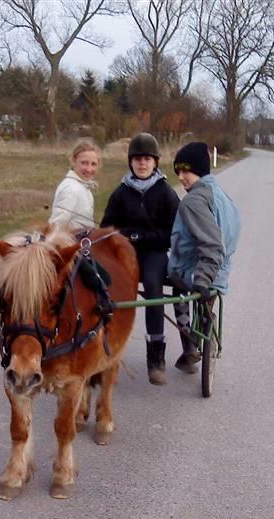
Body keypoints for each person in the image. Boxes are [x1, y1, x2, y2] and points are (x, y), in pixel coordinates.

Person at [100, 133, 180, 386]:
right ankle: (104, 349)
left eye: (147, 159)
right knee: (108, 288)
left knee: (153, 285)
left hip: (154, 252)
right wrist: (124, 235)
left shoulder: (165, 192)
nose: (142, 164)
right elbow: (106, 228)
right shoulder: (121, 193)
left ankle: (156, 359)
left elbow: (174, 232)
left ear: (155, 162)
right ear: (130, 162)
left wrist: (143, 236)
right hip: (125, 253)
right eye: (137, 159)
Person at [167, 142, 241, 374]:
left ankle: (189, 345)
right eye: (178, 171)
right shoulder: (222, 195)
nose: (181, 177)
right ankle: (202, 326)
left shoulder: (193, 201)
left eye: (185, 171)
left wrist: (202, 278)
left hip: (202, 274)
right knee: (184, 280)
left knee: (175, 283)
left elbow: (211, 243)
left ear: (199, 169)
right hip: (221, 272)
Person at [49, 139, 102, 232]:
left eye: (93, 164)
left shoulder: (83, 186)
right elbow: (56, 226)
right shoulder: (71, 189)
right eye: (84, 163)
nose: (89, 169)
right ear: (73, 161)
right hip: (72, 244)